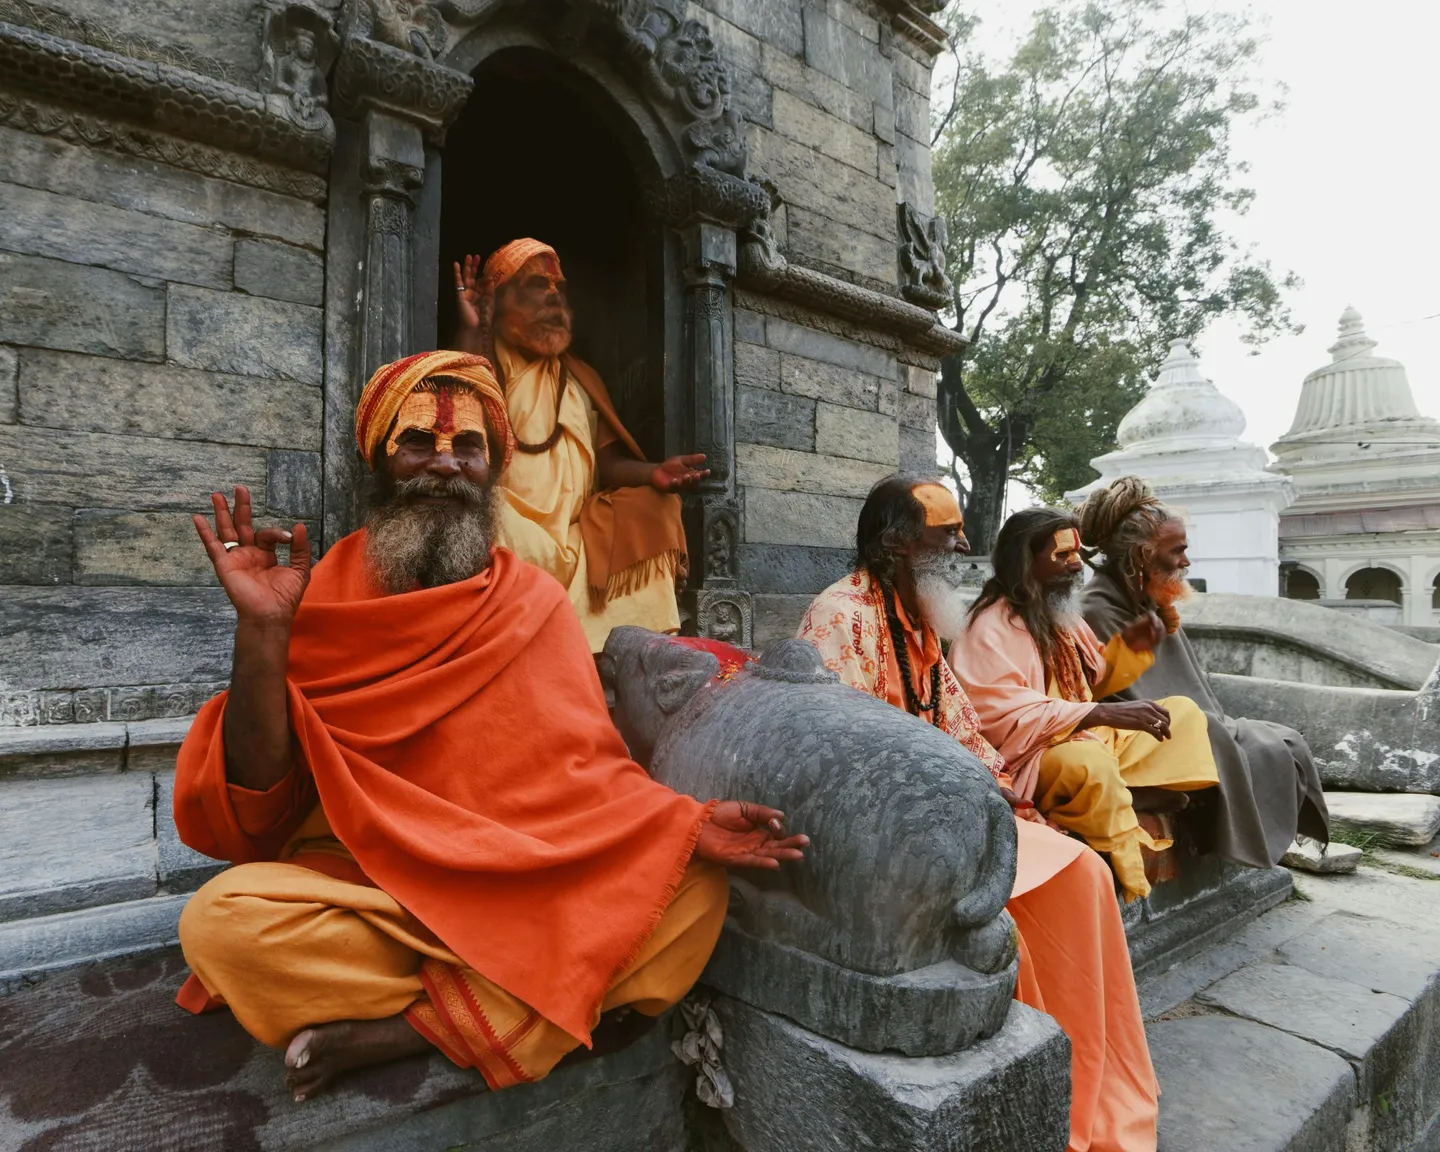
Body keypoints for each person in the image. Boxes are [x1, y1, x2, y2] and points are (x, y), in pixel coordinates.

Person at [172, 349, 807, 1102]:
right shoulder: (319, 595)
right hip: (375, 891)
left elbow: (588, 774)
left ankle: (400, 1031)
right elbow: (257, 804)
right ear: (380, 462)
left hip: (526, 881)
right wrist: (265, 634)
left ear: (493, 469)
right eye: (419, 444)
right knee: (222, 924)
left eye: (467, 448)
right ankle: (508, 1003)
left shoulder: (533, 603)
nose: (444, 465)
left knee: (696, 892)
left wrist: (681, 823)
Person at [797, 474, 1160, 1152]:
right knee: (1016, 901)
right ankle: (1049, 1095)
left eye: (962, 532)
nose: (964, 545)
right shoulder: (839, 615)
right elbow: (834, 754)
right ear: (896, 543)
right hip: (887, 835)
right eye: (947, 534)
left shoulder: (926, 615)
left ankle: (1092, 1081)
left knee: (1080, 870)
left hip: (962, 813)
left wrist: (1011, 800)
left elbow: (963, 730)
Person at [949, 507, 1220, 903]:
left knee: (1182, 713)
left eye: (1076, 554)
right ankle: (1132, 877)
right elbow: (995, 717)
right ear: (1026, 559)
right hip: (1031, 756)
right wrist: (1099, 713)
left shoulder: (1063, 615)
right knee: (1088, 763)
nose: (1076, 564)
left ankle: (1130, 790)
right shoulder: (987, 626)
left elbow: (1089, 684)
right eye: (1062, 556)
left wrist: (1131, 647)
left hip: (1083, 733)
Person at [452, 239, 704, 651]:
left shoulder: (581, 376)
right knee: (473, 511)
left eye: (559, 287)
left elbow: (605, 460)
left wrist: (653, 473)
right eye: (538, 283)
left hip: (575, 532)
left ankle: (616, 647)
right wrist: (470, 327)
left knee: (655, 507)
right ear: (499, 298)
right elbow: (458, 407)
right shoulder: (486, 360)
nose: (554, 293)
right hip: (510, 524)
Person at [1076, 476, 1329, 867]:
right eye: (1177, 550)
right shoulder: (1096, 608)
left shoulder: (1152, 603)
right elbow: (1119, 694)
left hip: (1191, 719)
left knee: (1284, 742)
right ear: (1142, 555)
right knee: (1245, 742)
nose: (1185, 562)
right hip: (1140, 734)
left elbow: (1193, 689)